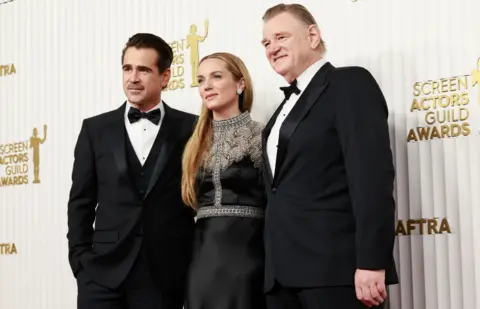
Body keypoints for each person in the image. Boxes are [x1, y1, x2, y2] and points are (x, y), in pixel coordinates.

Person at [260, 3, 399, 309]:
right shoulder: (281, 111)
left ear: (312, 36)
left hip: (336, 271)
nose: (272, 48)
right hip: (281, 277)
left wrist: (372, 261)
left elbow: (372, 178)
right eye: (266, 42)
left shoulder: (348, 84)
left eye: (281, 37)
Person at [67, 33, 197, 309]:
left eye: (143, 70)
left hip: (163, 275)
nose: (133, 78)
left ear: (165, 77)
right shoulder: (95, 130)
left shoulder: (192, 128)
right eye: (127, 68)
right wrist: (80, 260)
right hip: (102, 273)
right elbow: (81, 200)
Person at [182, 52, 267, 309]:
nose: (207, 85)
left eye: (216, 76)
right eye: (201, 80)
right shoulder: (193, 142)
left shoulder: (262, 135)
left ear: (241, 84)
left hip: (249, 253)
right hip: (203, 255)